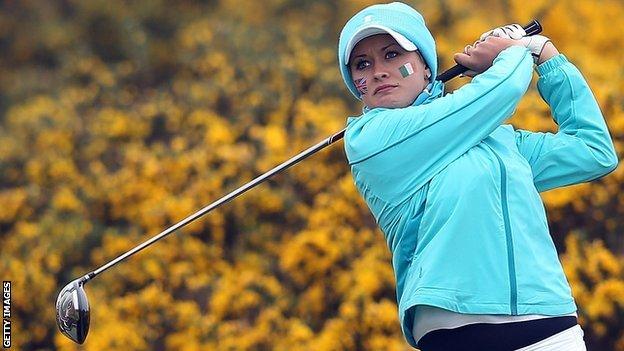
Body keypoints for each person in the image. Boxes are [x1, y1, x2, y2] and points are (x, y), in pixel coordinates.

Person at [337, 2, 618, 351]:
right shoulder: (371, 141)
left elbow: (592, 151)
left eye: (392, 54)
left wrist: (546, 55)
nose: (378, 71)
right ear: (356, 83)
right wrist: (515, 51)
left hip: (552, 327)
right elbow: (498, 92)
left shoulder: (498, 140)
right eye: (363, 64)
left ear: (426, 67)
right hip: (457, 334)